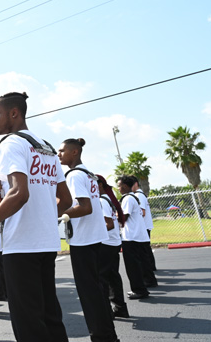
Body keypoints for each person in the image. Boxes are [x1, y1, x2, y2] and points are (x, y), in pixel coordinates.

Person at [0, 92, 72, 342]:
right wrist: (44, 216)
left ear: (13, 113)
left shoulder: (11, 143)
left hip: (22, 245)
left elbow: (19, 193)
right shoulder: (47, 147)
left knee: (28, 322)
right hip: (47, 242)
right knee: (50, 315)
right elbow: (66, 200)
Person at [58, 138, 118, 342]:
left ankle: (101, 336)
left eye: (62, 151)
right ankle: (108, 334)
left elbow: (85, 207)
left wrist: (60, 214)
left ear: (74, 152)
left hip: (83, 240)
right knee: (98, 291)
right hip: (94, 237)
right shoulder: (89, 174)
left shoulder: (74, 175)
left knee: (90, 294)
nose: (59, 155)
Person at [95, 175, 129, 319]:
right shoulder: (107, 199)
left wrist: (92, 230)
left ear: (100, 185)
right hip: (113, 243)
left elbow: (109, 224)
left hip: (106, 244)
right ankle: (120, 307)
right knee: (112, 277)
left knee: (102, 279)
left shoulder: (101, 201)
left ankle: (107, 311)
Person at [116, 176, 150, 299]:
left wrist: (113, 217)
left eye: (119, 185)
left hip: (131, 237)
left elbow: (123, 217)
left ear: (125, 186)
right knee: (137, 266)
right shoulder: (132, 198)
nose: (118, 188)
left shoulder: (128, 199)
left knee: (133, 267)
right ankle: (140, 288)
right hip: (136, 236)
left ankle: (139, 290)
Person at [130, 176, 158, 276]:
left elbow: (142, 212)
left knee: (144, 251)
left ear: (136, 184)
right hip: (145, 226)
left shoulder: (139, 195)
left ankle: (149, 270)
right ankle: (151, 267)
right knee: (146, 249)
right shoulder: (140, 194)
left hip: (143, 226)